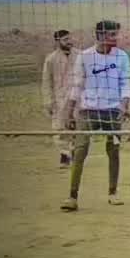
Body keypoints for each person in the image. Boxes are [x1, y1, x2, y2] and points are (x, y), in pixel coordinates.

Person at [61, 20, 130, 211]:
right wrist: (70, 112)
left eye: (116, 34)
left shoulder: (122, 56)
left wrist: (124, 105)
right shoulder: (85, 57)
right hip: (88, 110)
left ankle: (113, 193)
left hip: (113, 110)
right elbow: (76, 86)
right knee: (80, 151)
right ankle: (72, 197)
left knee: (114, 151)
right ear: (100, 36)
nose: (116, 38)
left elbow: (125, 84)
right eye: (111, 34)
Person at [42, 29, 75, 167]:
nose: (69, 42)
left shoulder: (80, 55)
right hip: (59, 99)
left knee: (77, 127)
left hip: (77, 98)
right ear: (58, 41)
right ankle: (64, 155)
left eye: (70, 38)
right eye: (65, 39)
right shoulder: (51, 59)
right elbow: (46, 81)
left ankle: (75, 153)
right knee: (60, 128)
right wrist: (48, 101)